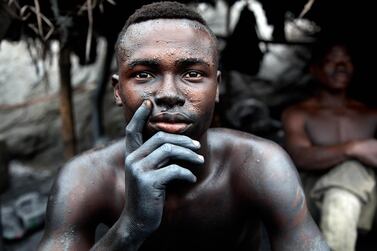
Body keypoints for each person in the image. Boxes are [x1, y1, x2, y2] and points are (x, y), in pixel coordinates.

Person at [38, 2, 328, 250]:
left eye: (191, 73)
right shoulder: (86, 178)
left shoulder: (258, 164)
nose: (169, 94)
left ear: (217, 88)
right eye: (143, 74)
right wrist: (130, 227)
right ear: (117, 90)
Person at [282, 39, 377, 251]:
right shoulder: (299, 114)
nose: (341, 66)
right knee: (343, 189)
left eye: (346, 61)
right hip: (314, 198)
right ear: (314, 69)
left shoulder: (370, 114)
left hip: (370, 200)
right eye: (331, 61)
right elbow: (299, 156)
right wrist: (353, 148)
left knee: (351, 171)